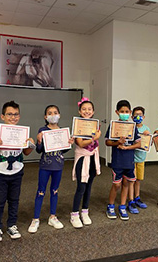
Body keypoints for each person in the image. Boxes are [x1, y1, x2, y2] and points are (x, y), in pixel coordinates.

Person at [0, 100, 35, 242]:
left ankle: (12, 225)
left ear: (19, 116)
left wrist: (30, 144)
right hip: (0, 171)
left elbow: (26, 153)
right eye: (9, 114)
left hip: (17, 170)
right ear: (2, 116)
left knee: (14, 200)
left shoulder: (22, 132)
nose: (13, 117)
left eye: (15, 114)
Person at [30, 105, 72, 233]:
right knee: (40, 190)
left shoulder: (62, 131)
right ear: (45, 116)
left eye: (55, 112)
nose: (53, 115)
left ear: (59, 115)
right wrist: (39, 141)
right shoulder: (42, 130)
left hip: (58, 165)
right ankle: (36, 218)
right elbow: (39, 150)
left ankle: (52, 216)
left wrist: (69, 143)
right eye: (50, 113)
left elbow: (63, 150)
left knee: (55, 190)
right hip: (45, 165)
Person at [105, 100, 142, 221]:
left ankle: (122, 206)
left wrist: (126, 147)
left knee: (126, 183)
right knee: (116, 185)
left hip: (129, 161)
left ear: (130, 112)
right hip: (117, 161)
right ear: (117, 112)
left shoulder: (133, 127)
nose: (124, 113)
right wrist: (117, 143)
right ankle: (110, 206)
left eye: (127, 111)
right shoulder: (114, 125)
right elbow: (107, 142)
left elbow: (138, 144)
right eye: (122, 111)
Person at [69, 98, 101, 228]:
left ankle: (85, 211)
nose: (87, 111)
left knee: (89, 186)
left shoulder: (95, 125)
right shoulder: (77, 125)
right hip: (83, 158)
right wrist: (93, 138)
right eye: (84, 109)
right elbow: (81, 143)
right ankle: (75, 214)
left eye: (89, 109)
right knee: (81, 187)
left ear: (93, 112)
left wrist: (95, 137)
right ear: (79, 111)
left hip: (93, 157)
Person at [129, 106, 150, 213]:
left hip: (141, 158)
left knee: (138, 180)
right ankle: (131, 200)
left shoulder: (146, 129)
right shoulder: (130, 127)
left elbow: (149, 143)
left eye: (140, 115)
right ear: (132, 117)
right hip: (131, 158)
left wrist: (147, 135)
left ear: (144, 116)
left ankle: (137, 197)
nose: (138, 117)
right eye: (136, 115)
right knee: (131, 180)